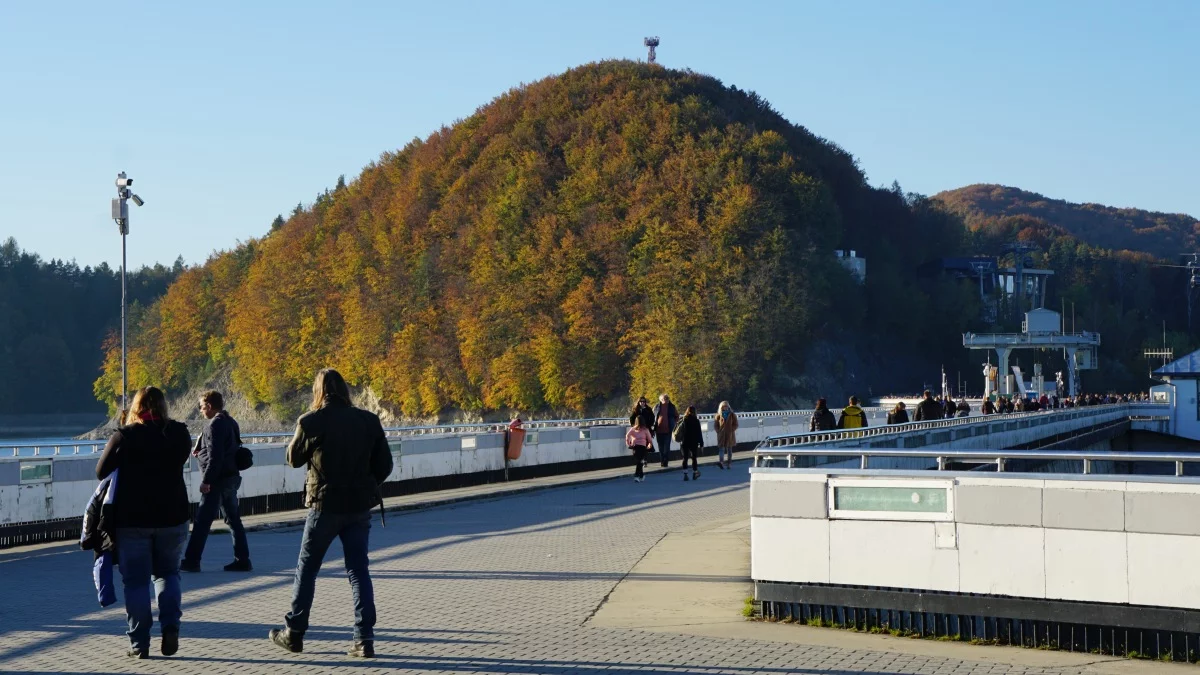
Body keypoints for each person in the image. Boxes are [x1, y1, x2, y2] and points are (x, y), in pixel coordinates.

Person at [270, 369, 394, 659]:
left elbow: (292, 459)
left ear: (319, 391)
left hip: (324, 506)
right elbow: (385, 465)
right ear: (345, 390)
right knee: (358, 570)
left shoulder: (311, 421)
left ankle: (295, 633)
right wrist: (366, 486)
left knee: (307, 569)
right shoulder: (368, 420)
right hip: (359, 507)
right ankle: (364, 639)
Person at [95, 386, 192, 659]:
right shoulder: (179, 433)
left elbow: (100, 471)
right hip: (173, 516)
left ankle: (139, 644)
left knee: (136, 583)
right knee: (168, 574)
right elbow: (181, 459)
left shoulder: (125, 436)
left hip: (132, 519)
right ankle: (171, 626)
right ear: (163, 405)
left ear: (136, 406)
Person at [180, 390, 250, 573]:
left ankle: (191, 560)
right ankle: (243, 560)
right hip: (232, 477)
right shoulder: (230, 421)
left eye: (202, 407)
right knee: (234, 520)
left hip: (218, 480)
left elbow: (216, 456)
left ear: (209, 406)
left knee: (202, 521)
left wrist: (206, 481)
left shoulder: (214, 425)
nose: (201, 411)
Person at [652, 393, 679, 469]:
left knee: (666, 447)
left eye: (666, 398)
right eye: (663, 399)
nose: (665, 400)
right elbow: (652, 416)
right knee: (660, 447)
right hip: (658, 430)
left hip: (668, 430)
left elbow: (677, 416)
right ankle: (662, 461)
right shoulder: (656, 407)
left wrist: (674, 423)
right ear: (660, 400)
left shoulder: (672, 407)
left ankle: (665, 461)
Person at [678, 405, 703, 481]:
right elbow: (699, 433)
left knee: (685, 458)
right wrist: (701, 443)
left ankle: (685, 474)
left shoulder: (683, 420)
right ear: (695, 412)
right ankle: (695, 472)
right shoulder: (696, 421)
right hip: (694, 442)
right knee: (694, 458)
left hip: (684, 441)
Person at [626, 415, 653, 483]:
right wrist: (650, 444)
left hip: (635, 447)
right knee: (640, 462)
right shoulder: (645, 430)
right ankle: (636, 476)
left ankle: (641, 475)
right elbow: (649, 439)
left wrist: (628, 443)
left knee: (639, 461)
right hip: (642, 447)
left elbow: (627, 435)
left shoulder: (633, 429)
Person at [714, 401, 738, 469]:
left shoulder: (732, 414)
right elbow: (716, 425)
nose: (725, 407)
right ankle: (721, 462)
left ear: (728, 407)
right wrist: (718, 431)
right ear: (721, 407)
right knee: (721, 449)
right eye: (724, 406)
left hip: (729, 434)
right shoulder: (718, 415)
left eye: (726, 406)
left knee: (729, 449)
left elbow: (736, 424)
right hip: (721, 434)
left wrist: (731, 430)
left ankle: (729, 463)